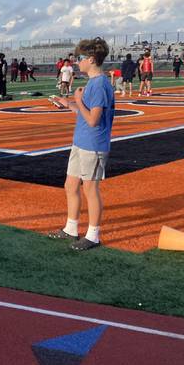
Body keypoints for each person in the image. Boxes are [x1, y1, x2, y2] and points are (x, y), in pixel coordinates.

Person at [48, 37, 115, 251]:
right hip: (81, 142)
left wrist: (77, 101)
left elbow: (94, 120)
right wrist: (69, 104)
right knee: (70, 185)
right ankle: (71, 228)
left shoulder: (100, 84)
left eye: (80, 58)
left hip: (93, 145)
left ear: (92, 59)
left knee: (90, 189)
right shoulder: (93, 82)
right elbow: (86, 115)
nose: (77, 61)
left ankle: (93, 235)